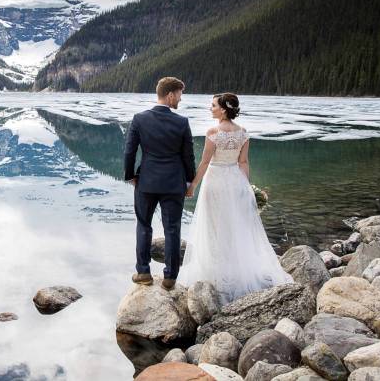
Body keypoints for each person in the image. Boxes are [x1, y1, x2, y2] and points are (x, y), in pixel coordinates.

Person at [182, 93, 293, 304]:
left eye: (213, 105)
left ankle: (217, 274)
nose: (210, 108)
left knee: (214, 227)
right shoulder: (243, 133)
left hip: (215, 181)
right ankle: (235, 270)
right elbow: (243, 162)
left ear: (224, 109)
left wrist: (192, 186)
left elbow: (205, 163)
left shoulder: (213, 132)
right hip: (234, 181)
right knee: (235, 226)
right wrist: (246, 187)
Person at [124, 77, 196, 291]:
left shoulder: (139, 119)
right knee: (172, 229)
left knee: (143, 225)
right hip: (174, 183)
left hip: (146, 181)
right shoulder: (182, 122)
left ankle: (144, 272)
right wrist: (189, 180)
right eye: (180, 95)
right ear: (170, 94)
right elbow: (188, 156)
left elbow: (129, 151)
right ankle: (170, 277)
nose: (180, 100)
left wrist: (131, 175)